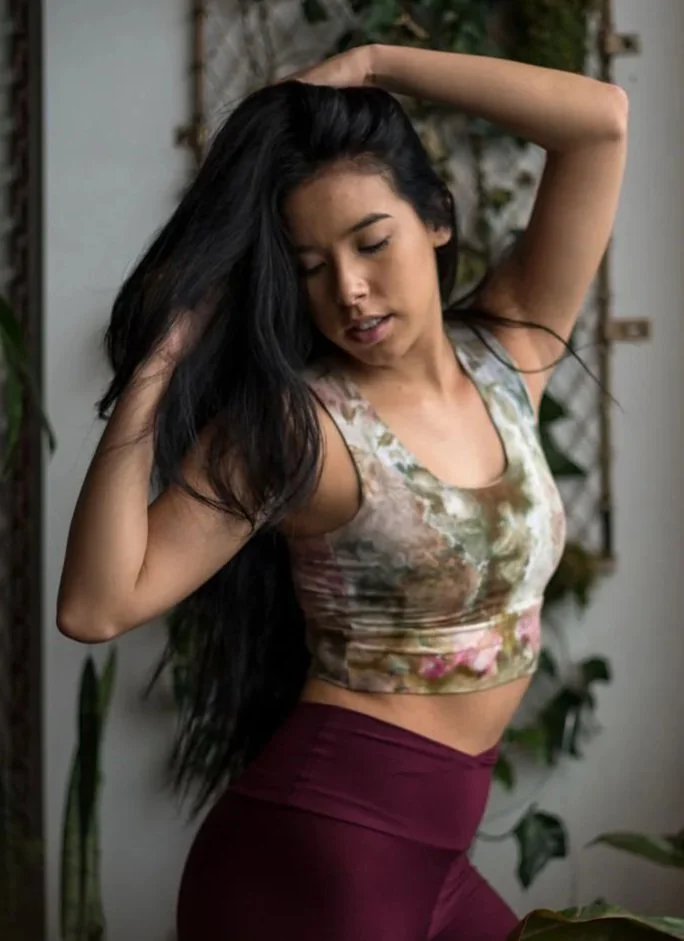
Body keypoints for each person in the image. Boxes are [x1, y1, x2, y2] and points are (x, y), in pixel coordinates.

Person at [56, 41, 628, 941]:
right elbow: (96, 606)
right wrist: (158, 362)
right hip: (322, 862)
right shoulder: (302, 430)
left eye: (371, 242)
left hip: (433, 858)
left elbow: (599, 126)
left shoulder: (510, 353)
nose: (351, 291)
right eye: (311, 266)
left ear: (436, 218)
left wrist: (375, 63)